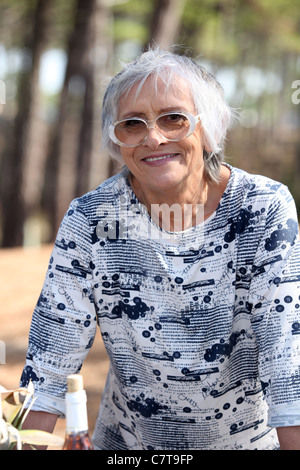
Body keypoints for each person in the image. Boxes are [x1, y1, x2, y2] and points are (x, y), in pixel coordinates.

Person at [21, 47, 300, 450]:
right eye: (132, 124)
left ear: (209, 128)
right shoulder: (91, 219)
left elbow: (287, 359)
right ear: (117, 140)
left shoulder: (263, 209)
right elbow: (49, 365)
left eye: (174, 118)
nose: (153, 137)